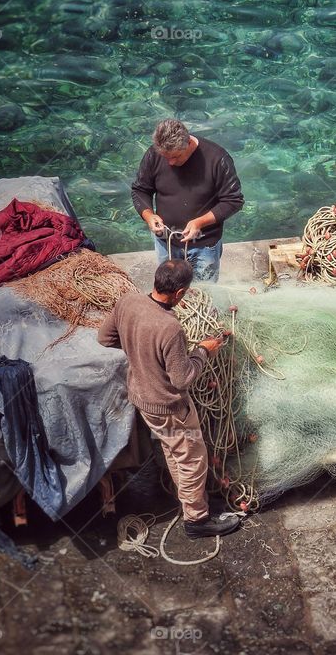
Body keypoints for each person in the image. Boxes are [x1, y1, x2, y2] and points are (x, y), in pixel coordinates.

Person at [97, 259, 240, 538]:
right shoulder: (169, 327)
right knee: (192, 460)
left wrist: (138, 352)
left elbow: (105, 338)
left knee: (174, 452)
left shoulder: (128, 302)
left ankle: (192, 503)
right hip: (170, 406)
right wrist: (204, 350)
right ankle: (196, 522)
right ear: (180, 294)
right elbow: (182, 378)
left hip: (142, 399)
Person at [131, 119, 244, 282]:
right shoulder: (154, 154)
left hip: (204, 245)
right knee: (169, 290)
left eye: (175, 157)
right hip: (166, 242)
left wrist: (200, 222)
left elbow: (234, 200)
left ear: (188, 143)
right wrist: (148, 215)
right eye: (166, 157)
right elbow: (140, 189)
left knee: (205, 293)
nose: (170, 163)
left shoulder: (218, 159)